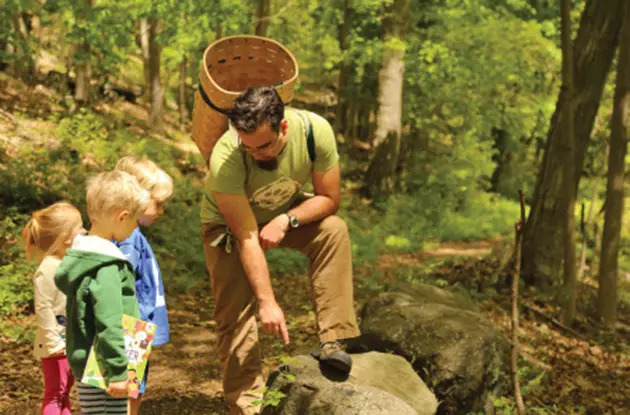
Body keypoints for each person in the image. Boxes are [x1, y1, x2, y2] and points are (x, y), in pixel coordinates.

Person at [201, 86, 361, 414]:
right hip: (230, 227)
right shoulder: (227, 156)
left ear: (283, 127)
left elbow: (330, 199)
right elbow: (246, 236)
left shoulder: (316, 133)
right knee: (234, 315)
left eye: (263, 146)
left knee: (333, 230)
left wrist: (286, 220)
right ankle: (249, 405)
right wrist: (267, 302)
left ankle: (333, 339)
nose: (256, 154)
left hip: (282, 212)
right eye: (248, 147)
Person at [54, 170, 150, 415]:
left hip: (91, 360)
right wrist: (118, 370)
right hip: (105, 365)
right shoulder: (106, 265)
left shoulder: (84, 256)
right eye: (134, 221)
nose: (134, 229)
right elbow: (109, 321)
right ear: (123, 216)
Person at [114, 156, 173, 415]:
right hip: (129, 328)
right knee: (127, 391)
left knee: (134, 388)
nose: (161, 211)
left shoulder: (132, 237)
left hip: (136, 329)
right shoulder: (127, 239)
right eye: (158, 203)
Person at [22, 202, 84, 415]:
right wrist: (53, 341)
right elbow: (44, 307)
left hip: (68, 341)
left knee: (64, 392)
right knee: (55, 394)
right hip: (56, 345)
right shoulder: (48, 269)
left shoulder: (65, 264)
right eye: (80, 228)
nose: (84, 232)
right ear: (67, 238)